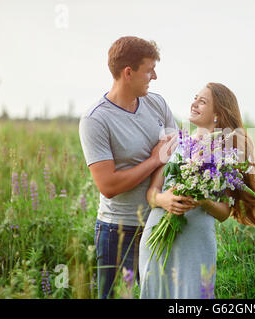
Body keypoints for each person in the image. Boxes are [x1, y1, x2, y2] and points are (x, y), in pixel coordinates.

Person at [138, 82, 255, 299]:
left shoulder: (227, 154)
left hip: (195, 244)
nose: (194, 103)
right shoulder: (173, 142)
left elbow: (225, 213)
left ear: (217, 114)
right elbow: (151, 193)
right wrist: (163, 200)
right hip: (157, 237)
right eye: (195, 97)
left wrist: (204, 201)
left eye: (202, 101)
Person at [79, 36, 179, 299]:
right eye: (149, 70)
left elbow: (176, 154)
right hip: (118, 231)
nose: (154, 76)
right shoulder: (96, 120)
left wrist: (158, 195)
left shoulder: (157, 104)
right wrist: (155, 160)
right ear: (128, 72)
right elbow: (108, 186)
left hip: (160, 224)